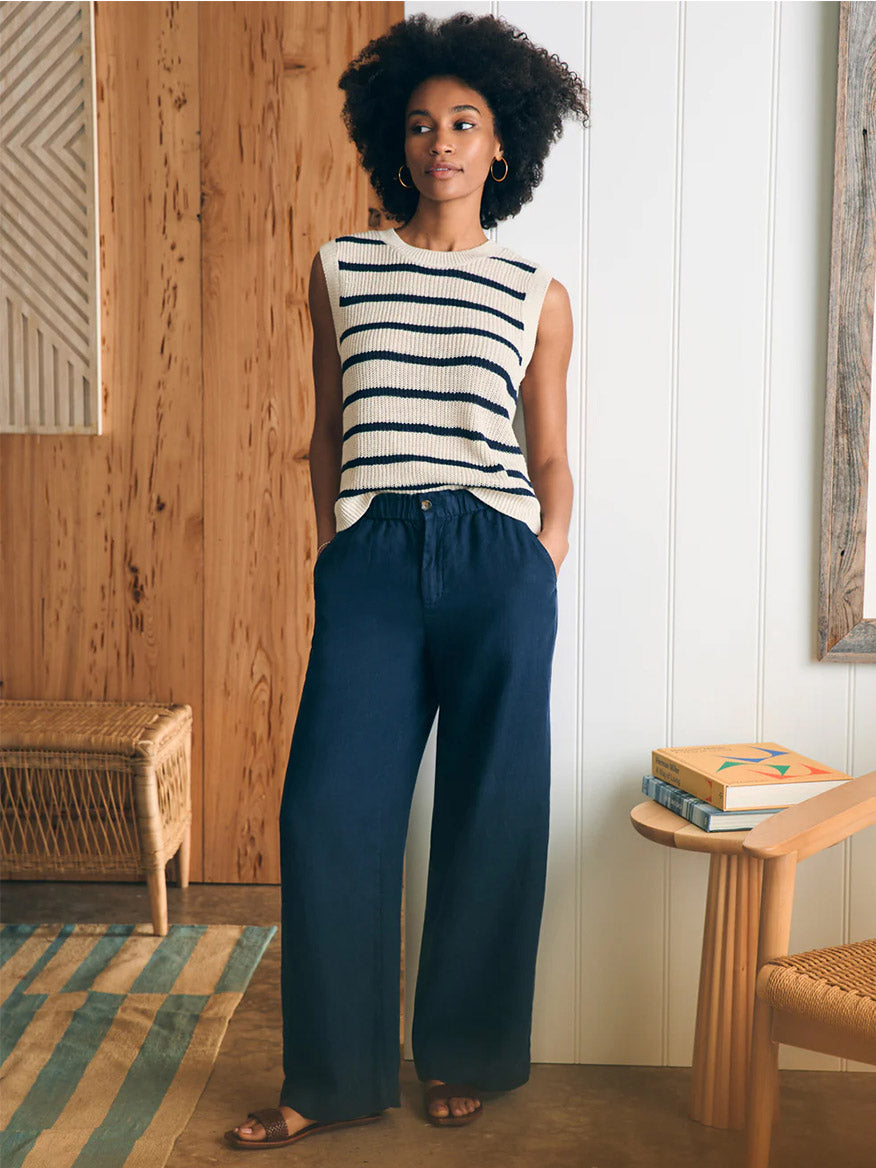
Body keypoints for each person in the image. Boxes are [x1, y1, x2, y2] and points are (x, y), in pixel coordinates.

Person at [226, 10, 588, 1150]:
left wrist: (546, 552)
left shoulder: (537, 290)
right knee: (331, 808)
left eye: (466, 124)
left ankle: (463, 1055)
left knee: (493, 812)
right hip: (375, 555)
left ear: (501, 147)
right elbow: (330, 425)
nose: (443, 143)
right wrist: (337, 539)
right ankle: (329, 1077)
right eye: (424, 124)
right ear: (397, 140)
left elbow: (551, 454)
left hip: (497, 557)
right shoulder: (340, 265)